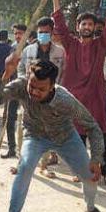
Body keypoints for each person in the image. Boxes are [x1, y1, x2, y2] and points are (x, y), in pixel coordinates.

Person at [0, 60, 106, 212]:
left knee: (90, 176)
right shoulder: (20, 86)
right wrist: (4, 75)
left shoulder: (65, 100)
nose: (34, 92)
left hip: (65, 138)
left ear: (52, 86)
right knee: (24, 169)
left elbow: (93, 127)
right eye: (32, 86)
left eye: (41, 89)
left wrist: (96, 158)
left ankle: (91, 208)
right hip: (34, 136)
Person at [51, 0, 106, 187]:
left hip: (96, 98)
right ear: (78, 27)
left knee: (101, 134)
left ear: (94, 28)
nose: (87, 27)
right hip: (74, 99)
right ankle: (80, 170)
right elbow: (60, 24)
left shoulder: (101, 44)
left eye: (90, 24)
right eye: (83, 24)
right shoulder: (70, 44)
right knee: (77, 137)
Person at [17, 16, 66, 178]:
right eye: (40, 32)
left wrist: (56, 91)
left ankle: (43, 165)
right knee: (23, 129)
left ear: (52, 32)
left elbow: (63, 73)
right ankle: (21, 163)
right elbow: (20, 70)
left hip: (49, 97)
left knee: (45, 131)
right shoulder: (28, 51)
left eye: (46, 32)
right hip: (29, 95)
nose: (43, 35)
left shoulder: (60, 52)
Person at [1, 24, 27, 159]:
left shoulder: (31, 48)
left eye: (20, 33)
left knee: (26, 122)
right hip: (13, 88)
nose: (17, 36)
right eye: (16, 33)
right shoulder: (12, 48)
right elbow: (9, 68)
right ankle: (11, 148)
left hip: (27, 90)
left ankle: (25, 152)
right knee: (10, 118)